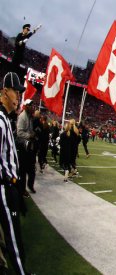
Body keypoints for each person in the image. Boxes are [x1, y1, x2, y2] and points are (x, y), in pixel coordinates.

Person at [0, 71, 30, 274]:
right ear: (4, 92)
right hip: (3, 187)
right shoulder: (0, 120)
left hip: (10, 185)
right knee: (13, 239)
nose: (18, 96)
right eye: (15, 92)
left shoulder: (5, 118)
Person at [16, 99, 37, 196]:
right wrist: (29, 135)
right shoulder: (22, 116)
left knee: (32, 169)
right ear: (26, 106)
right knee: (23, 170)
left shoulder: (29, 116)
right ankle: (23, 189)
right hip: (23, 147)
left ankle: (30, 185)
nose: (32, 107)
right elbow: (19, 133)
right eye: (31, 105)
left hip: (29, 147)